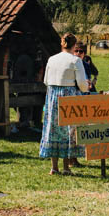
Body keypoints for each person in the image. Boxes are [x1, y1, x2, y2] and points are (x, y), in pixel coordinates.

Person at [40, 32, 90, 174]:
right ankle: (66, 167)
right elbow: (81, 84)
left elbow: (46, 80)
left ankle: (54, 167)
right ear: (74, 46)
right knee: (68, 130)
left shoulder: (52, 59)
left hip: (52, 94)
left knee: (53, 129)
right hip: (68, 95)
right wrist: (86, 86)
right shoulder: (75, 61)